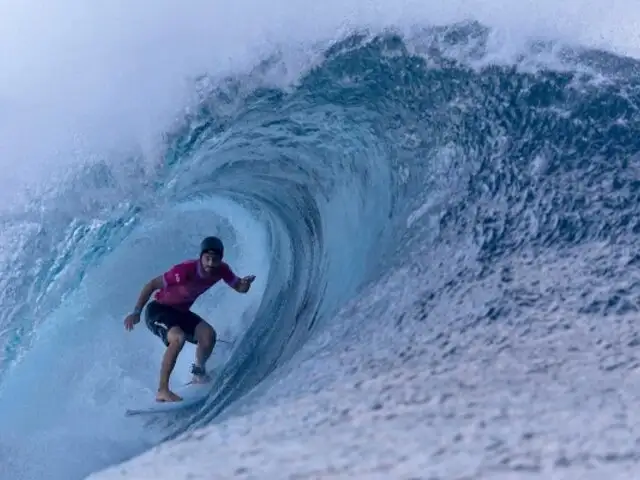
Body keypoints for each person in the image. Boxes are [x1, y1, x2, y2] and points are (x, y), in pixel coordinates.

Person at [124, 236, 256, 403]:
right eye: (207, 258)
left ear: (221, 259)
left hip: (181, 313)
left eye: (215, 260)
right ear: (200, 256)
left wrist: (246, 283)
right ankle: (162, 390)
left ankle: (199, 373)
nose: (210, 263)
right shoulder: (184, 270)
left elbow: (240, 287)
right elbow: (151, 285)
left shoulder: (222, 270)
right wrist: (136, 311)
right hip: (158, 310)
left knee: (208, 336)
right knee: (178, 338)